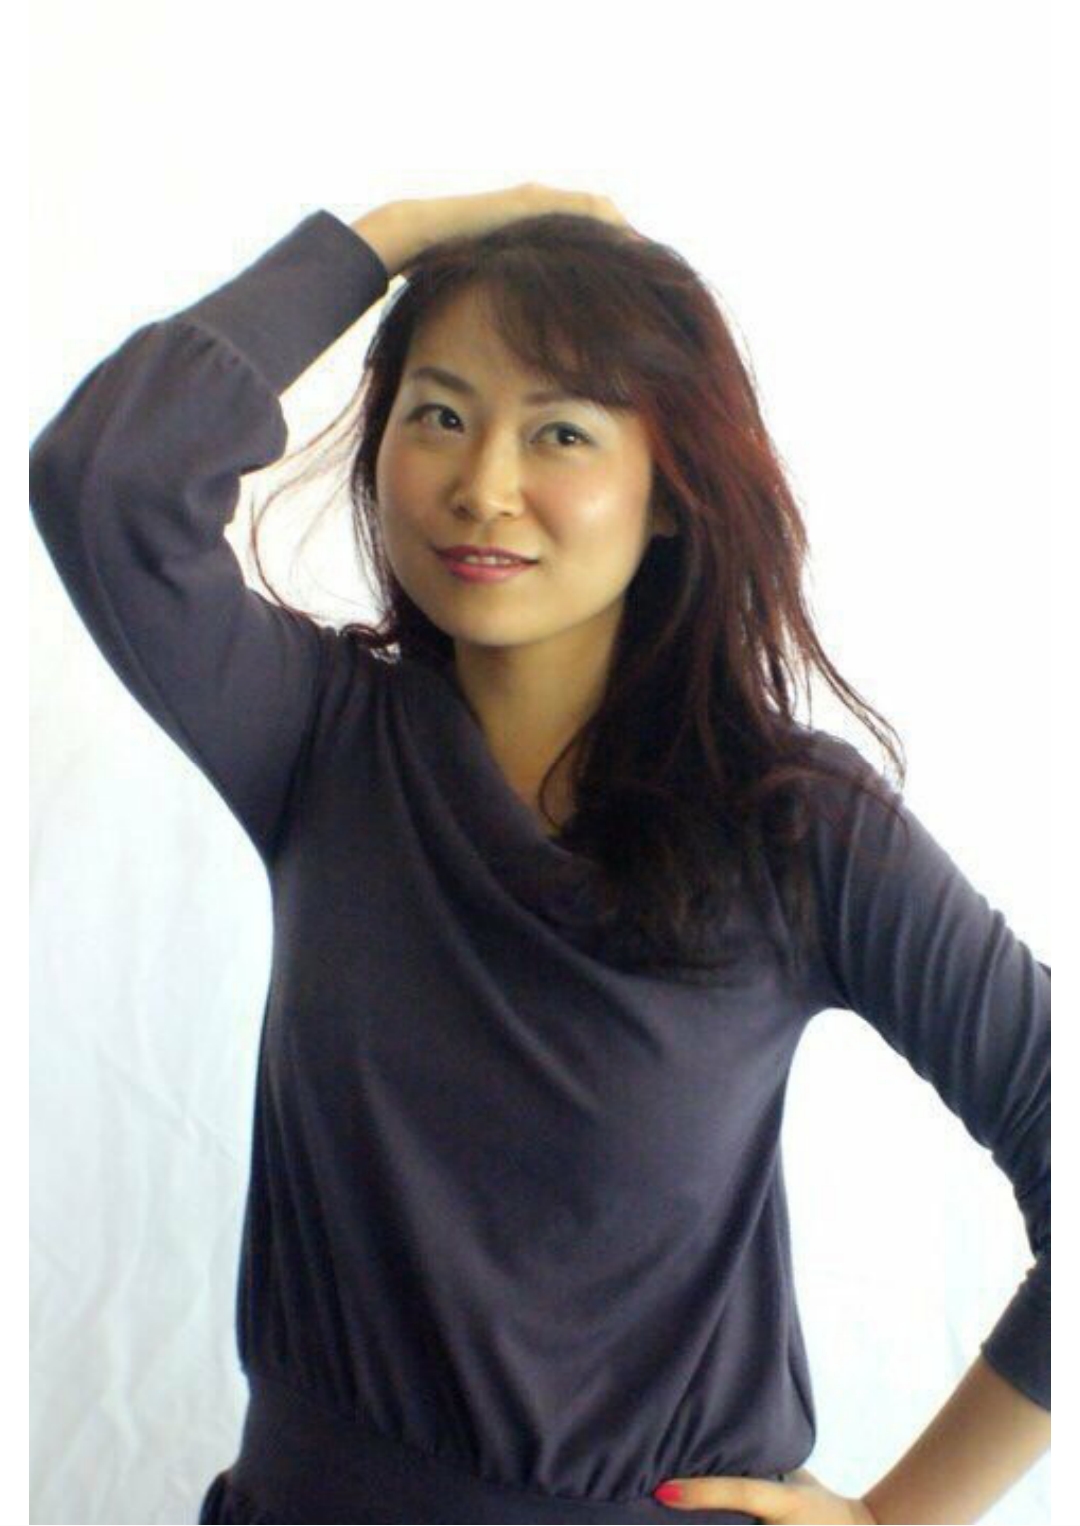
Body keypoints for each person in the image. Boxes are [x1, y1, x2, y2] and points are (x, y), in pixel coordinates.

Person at [29, 185, 1050, 1525]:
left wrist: (890, 1519)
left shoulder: (796, 827)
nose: (483, 486)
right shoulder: (321, 741)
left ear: (671, 491)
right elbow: (108, 481)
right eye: (440, 415)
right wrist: (398, 236)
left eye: (560, 431)